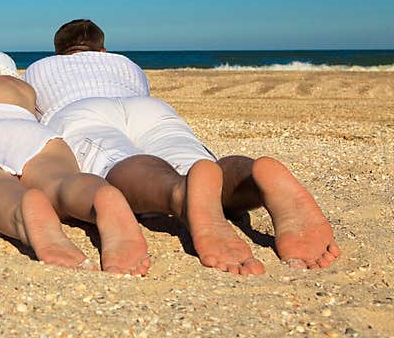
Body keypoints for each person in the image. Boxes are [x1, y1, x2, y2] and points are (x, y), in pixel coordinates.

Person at [24, 19, 340, 275]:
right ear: (103, 49)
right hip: (149, 109)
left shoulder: (39, 69)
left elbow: (26, 113)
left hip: (81, 111)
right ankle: (254, 177)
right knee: (195, 164)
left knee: (124, 163)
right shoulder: (127, 65)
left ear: (57, 52)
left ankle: (179, 193)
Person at [0, 51, 150, 275]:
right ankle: (96, 197)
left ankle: (21, 211)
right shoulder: (24, 89)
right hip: (28, 131)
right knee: (58, 180)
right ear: (9, 73)